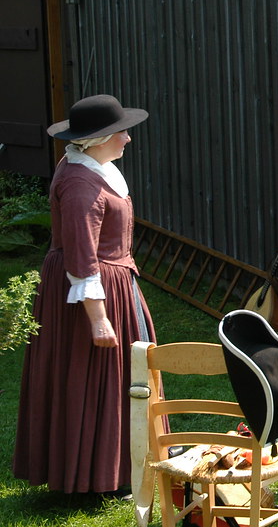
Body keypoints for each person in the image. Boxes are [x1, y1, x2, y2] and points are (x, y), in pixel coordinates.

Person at [13, 94, 156, 494]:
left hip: (112, 281)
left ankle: (117, 465)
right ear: (96, 140)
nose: (128, 139)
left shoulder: (91, 166)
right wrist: (98, 318)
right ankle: (97, 475)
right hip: (90, 291)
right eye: (121, 132)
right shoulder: (80, 184)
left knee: (117, 375)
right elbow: (82, 256)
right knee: (96, 375)